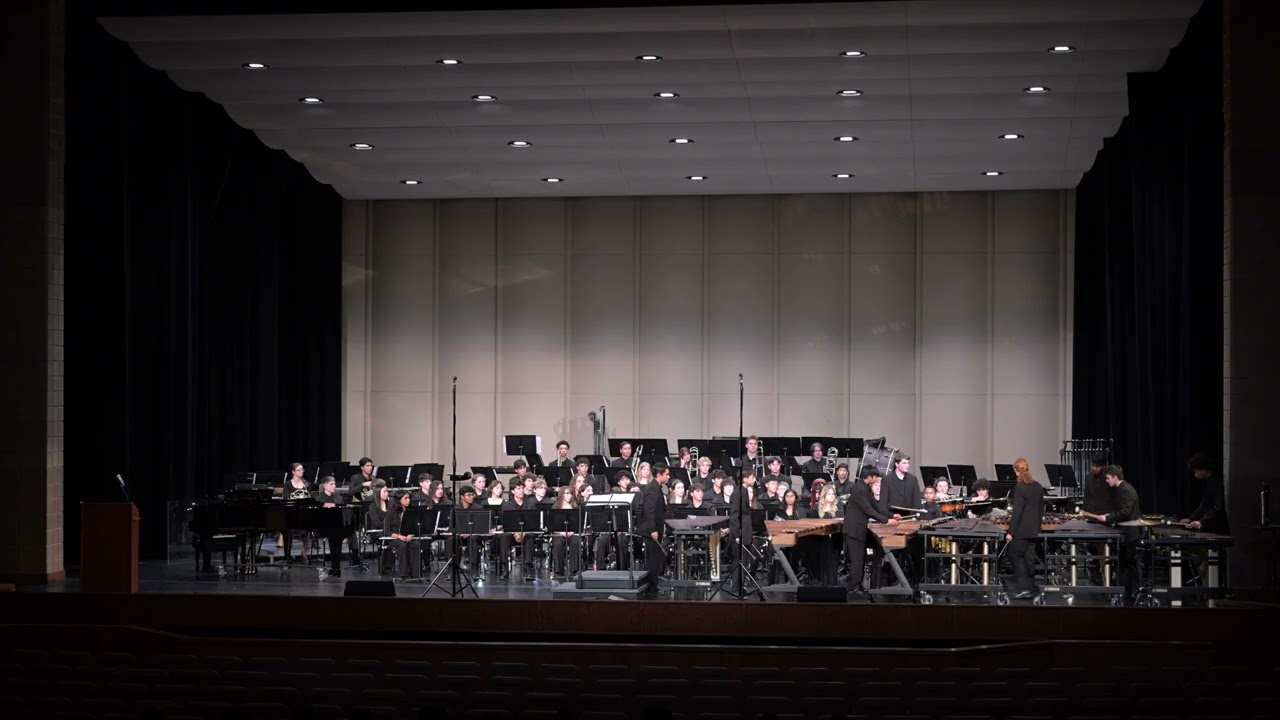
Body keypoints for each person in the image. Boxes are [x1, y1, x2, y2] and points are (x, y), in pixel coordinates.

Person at [1081, 465, 1142, 599]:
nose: (1107, 481)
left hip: (1129, 534)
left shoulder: (1126, 490)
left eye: (1108, 478)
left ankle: (1126, 594)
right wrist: (1110, 515)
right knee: (1123, 566)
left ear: (1115, 477)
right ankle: (1124, 593)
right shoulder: (1120, 489)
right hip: (1124, 532)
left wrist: (1107, 517)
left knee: (1126, 566)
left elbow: (1125, 512)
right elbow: (1121, 510)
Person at [845, 467, 896, 600]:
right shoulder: (858, 489)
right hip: (854, 529)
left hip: (860, 528)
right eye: (876, 477)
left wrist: (892, 515)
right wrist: (886, 520)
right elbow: (868, 509)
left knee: (861, 559)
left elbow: (876, 506)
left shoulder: (866, 488)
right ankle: (853, 588)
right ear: (870, 476)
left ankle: (858, 585)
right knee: (857, 560)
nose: (877, 479)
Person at [1005, 458, 1046, 599]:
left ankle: (1024, 587)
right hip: (1034, 529)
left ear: (1017, 471)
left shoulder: (1020, 487)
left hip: (1021, 529)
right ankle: (1031, 587)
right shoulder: (1038, 486)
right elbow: (1041, 510)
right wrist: (1037, 527)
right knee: (1029, 558)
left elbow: (1017, 512)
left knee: (1014, 555)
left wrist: (1011, 532)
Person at [317, 475, 359, 575]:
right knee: (333, 539)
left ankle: (336, 565)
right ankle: (334, 565)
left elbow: (343, 513)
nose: (334, 486)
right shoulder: (319, 499)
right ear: (325, 486)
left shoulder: (338, 498)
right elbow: (317, 516)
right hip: (323, 526)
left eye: (334, 483)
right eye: (332, 484)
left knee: (337, 538)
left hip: (337, 525)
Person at [636, 463, 670, 579]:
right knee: (652, 560)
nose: (668, 477)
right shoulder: (652, 488)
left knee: (655, 559)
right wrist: (653, 530)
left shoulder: (657, 487)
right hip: (650, 532)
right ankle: (651, 586)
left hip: (655, 530)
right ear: (660, 475)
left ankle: (654, 584)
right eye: (667, 474)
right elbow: (649, 511)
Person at [1180, 452, 1228, 534]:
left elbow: (1218, 507)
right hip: (1210, 526)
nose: (1195, 475)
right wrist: (1191, 519)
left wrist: (1202, 522)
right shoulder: (1208, 482)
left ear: (1204, 469)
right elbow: (1204, 504)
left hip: (1217, 527)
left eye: (1196, 472)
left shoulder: (1216, 482)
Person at [499, 481, 537, 581]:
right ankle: (505, 569)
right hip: (512, 534)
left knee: (530, 536)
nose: (521, 491)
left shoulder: (530, 504)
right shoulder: (507, 505)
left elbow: (532, 523)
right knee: (504, 536)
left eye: (522, 488)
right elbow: (506, 523)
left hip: (526, 533)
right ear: (512, 491)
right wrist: (515, 533)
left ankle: (528, 568)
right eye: (518, 489)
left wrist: (523, 533)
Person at [384, 490, 422, 580]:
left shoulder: (411, 512)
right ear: (399, 500)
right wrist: (399, 536)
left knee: (415, 544)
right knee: (402, 545)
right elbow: (386, 531)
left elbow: (414, 527)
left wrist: (410, 535)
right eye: (406, 498)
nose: (408, 500)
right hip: (393, 538)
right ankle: (403, 573)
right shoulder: (391, 512)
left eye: (409, 498)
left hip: (406, 537)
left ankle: (415, 574)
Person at [281, 463, 312, 564]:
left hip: (303, 513)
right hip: (291, 514)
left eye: (302, 469)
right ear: (293, 472)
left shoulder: (306, 484)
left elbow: (309, 499)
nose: (301, 471)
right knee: (287, 530)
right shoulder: (288, 484)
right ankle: (287, 556)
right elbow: (286, 499)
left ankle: (304, 554)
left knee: (308, 526)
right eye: (299, 470)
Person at [549, 487, 582, 579]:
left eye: (570, 493)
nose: (569, 495)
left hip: (572, 533)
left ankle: (574, 570)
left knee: (576, 542)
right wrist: (560, 531)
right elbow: (552, 524)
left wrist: (572, 530)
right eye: (566, 493)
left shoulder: (575, 507)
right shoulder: (555, 507)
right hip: (559, 533)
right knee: (558, 544)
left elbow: (578, 523)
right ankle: (559, 571)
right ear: (561, 495)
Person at [454, 485, 483, 570]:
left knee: (472, 539)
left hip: (474, 534)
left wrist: (469, 533)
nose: (471, 497)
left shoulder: (479, 508)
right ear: (462, 497)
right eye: (468, 495)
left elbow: (481, 526)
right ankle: (453, 567)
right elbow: (453, 526)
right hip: (460, 535)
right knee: (452, 540)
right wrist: (460, 533)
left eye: (472, 495)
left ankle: (473, 567)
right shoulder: (456, 509)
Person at [1082, 453, 1112, 517]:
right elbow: (1086, 496)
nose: (1094, 468)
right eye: (1093, 465)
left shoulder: (1109, 477)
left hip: (1105, 514)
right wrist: (1085, 510)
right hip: (1091, 514)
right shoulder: (1088, 477)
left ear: (1103, 466)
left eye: (1097, 466)